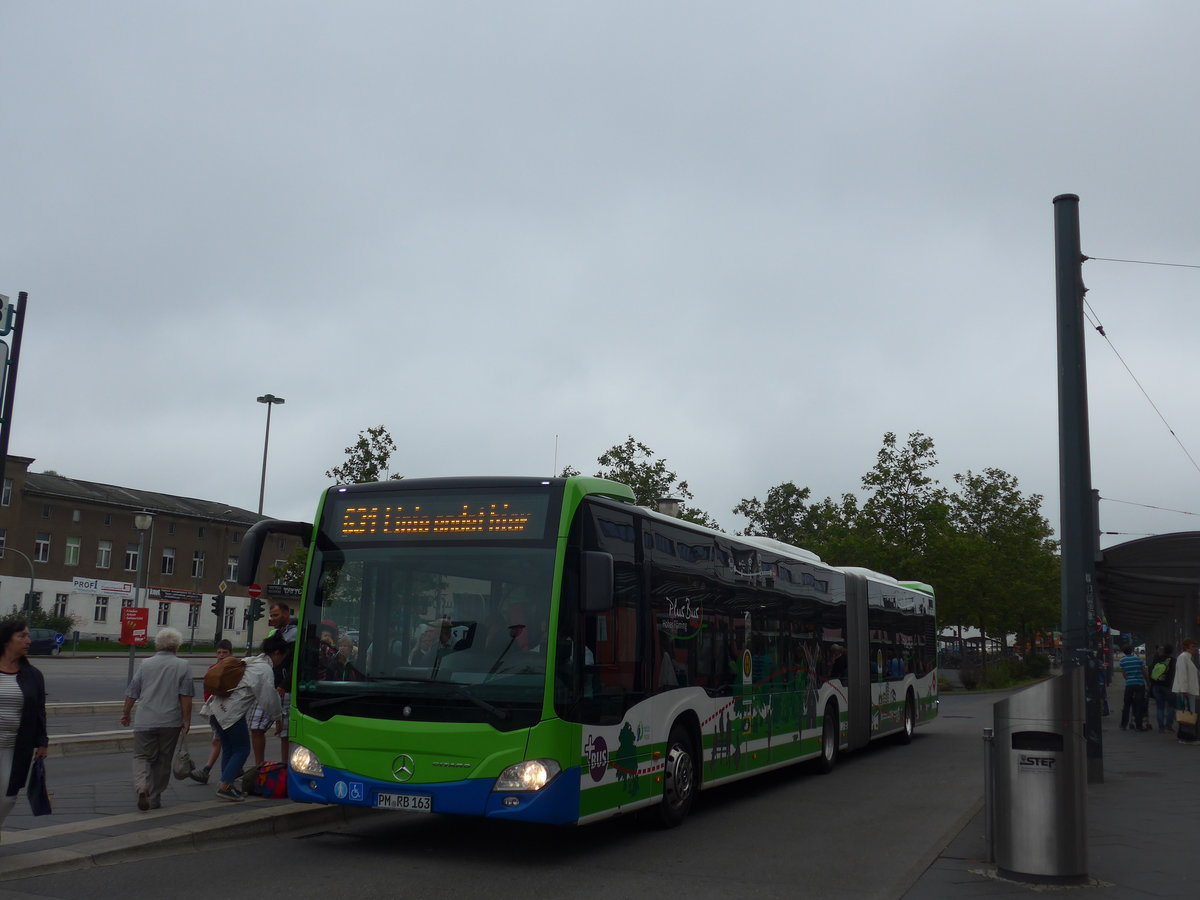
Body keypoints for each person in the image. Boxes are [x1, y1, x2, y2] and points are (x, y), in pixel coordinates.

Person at [120, 627, 193, 810]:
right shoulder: (183, 666)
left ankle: (142, 785)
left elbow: (133, 691)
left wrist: (126, 712)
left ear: (157, 645)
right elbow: (185, 696)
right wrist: (186, 720)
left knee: (141, 756)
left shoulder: (145, 664)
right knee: (163, 759)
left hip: (145, 719)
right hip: (170, 721)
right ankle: (154, 797)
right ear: (177, 646)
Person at [201, 643, 282, 801]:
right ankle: (225, 785)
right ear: (277, 653)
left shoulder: (249, 660)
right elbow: (268, 698)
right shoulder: (264, 669)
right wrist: (277, 717)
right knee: (242, 749)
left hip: (215, 708)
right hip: (230, 713)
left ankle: (226, 784)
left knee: (229, 749)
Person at [0, 620, 48, 836]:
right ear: (6, 639)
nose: (28, 640)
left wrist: (42, 741)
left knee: (7, 797)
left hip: (14, 746)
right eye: (22, 636)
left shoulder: (33, 674)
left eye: (28, 636)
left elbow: (39, 710)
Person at [189, 639, 233, 785]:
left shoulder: (233, 669)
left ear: (230, 653)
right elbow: (207, 689)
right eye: (219, 652)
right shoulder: (212, 668)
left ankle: (208, 770)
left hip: (227, 711)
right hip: (215, 711)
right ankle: (231, 770)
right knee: (222, 741)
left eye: (224, 653)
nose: (221, 655)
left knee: (218, 740)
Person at [1173, 639, 1200, 744]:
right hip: (1187, 691)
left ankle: (1184, 736)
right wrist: (1184, 690)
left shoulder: (1187, 658)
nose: (1195, 649)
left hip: (1189, 691)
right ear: (1186, 647)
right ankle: (1189, 737)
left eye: (1195, 646)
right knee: (1190, 713)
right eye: (1193, 646)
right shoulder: (1183, 657)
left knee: (1187, 713)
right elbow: (1183, 675)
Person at [1117, 644, 1149, 731]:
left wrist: (1129, 679)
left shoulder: (1122, 661)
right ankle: (1139, 725)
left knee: (1127, 705)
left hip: (1129, 685)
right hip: (1139, 684)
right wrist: (1147, 682)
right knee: (1139, 705)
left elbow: (1124, 674)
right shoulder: (1138, 659)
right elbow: (1144, 672)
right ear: (1131, 651)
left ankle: (1124, 724)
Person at [1149, 644, 1177, 734]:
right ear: (1172, 651)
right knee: (1171, 706)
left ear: (1163, 650)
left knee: (1160, 707)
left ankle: (1161, 728)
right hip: (1168, 686)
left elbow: (1151, 669)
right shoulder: (1173, 660)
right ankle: (1168, 725)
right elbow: (1174, 673)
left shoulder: (1157, 658)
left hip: (1156, 685)